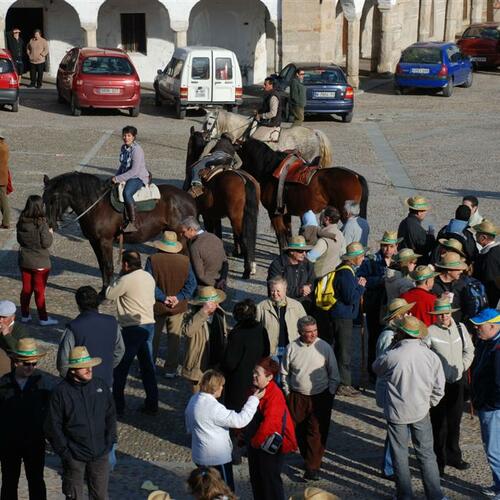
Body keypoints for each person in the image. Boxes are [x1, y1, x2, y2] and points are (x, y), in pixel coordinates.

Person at [372, 316, 445, 500]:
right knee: (427, 455)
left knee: (400, 456)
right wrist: (430, 403)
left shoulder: (392, 355)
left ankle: (405, 495)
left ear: (400, 333)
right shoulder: (430, 356)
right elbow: (439, 387)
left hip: (397, 412)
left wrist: (392, 346)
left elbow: (376, 367)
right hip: (421, 410)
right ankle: (435, 495)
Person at [45, 346, 116, 500]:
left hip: (100, 454)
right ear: (72, 370)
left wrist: (110, 441)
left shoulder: (100, 386)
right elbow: (53, 426)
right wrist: (66, 453)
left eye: (90, 365)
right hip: (74, 457)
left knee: (101, 496)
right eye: (83, 367)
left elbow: (110, 415)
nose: (89, 369)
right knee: (74, 497)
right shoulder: (60, 392)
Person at [185, 369, 264, 491]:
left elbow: (189, 424)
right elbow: (240, 421)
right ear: (214, 388)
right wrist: (254, 400)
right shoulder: (214, 408)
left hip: (199, 455)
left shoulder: (194, 399)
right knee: (225, 491)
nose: (222, 388)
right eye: (221, 386)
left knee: (207, 490)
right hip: (216, 458)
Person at [281, 316, 340, 480]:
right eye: (308, 332)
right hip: (297, 396)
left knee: (316, 432)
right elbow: (284, 372)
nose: (312, 335)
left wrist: (330, 394)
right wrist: (288, 393)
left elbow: (334, 374)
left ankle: (312, 467)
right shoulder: (292, 348)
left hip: (320, 396)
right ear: (300, 332)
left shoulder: (324, 347)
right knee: (299, 430)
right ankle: (308, 458)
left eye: (315, 331)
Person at [106, 250, 158, 416]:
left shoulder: (126, 279)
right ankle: (152, 403)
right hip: (149, 324)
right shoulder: (148, 276)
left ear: (125, 264)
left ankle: (118, 406)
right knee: (147, 367)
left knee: (121, 368)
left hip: (132, 328)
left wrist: (120, 275)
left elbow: (109, 294)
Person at [426, 297, 474, 476]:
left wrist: (462, 366)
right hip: (439, 385)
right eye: (439, 314)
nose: (443, 317)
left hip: (458, 382)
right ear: (435, 315)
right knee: (439, 425)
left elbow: (469, 350)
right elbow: (425, 356)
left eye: (445, 313)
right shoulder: (429, 332)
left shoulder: (460, 329)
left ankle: (454, 456)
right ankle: (439, 461)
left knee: (455, 422)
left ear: (450, 313)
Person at [0, 338, 50, 500]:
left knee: (36, 481)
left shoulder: (41, 382)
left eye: (33, 364)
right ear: (16, 362)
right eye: (26, 364)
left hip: (34, 441)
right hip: (9, 442)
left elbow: (49, 411)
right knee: (9, 482)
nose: (31, 367)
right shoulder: (3, 383)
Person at [145, 231, 196, 377]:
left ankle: (149, 365)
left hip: (157, 306)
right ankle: (171, 369)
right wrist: (178, 297)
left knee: (153, 337)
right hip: (178, 307)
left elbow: (149, 283)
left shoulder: (153, 259)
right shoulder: (185, 261)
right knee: (174, 338)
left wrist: (163, 297)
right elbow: (191, 284)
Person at [374, 298, 415, 480]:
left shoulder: (398, 334)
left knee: (400, 431)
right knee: (397, 431)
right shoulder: (388, 337)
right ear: (397, 317)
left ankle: (392, 464)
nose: (409, 315)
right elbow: (383, 365)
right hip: (392, 389)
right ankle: (390, 467)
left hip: (399, 389)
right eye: (405, 313)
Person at [245, 358, 297, 500]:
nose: (254, 376)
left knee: (269, 481)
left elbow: (271, 424)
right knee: (257, 479)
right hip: (256, 442)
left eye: (257, 373)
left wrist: (254, 442)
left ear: (269, 377)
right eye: (253, 372)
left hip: (268, 445)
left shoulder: (275, 394)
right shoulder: (254, 389)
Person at [57, 286, 124, 388]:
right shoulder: (112, 322)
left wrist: (71, 377)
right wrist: (107, 367)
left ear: (78, 305)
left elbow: (63, 360)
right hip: (105, 381)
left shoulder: (73, 327)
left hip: (80, 383)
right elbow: (120, 350)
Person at [358, 230, 400, 377]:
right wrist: (381, 280)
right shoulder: (372, 260)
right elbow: (362, 279)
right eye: (385, 246)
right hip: (375, 306)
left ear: (396, 247)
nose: (387, 249)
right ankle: (372, 371)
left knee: (392, 338)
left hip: (393, 306)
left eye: (390, 246)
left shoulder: (399, 261)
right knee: (374, 338)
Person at [469, 308, 500, 498]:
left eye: (480, 325)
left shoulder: (497, 350)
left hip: (493, 408)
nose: (476, 328)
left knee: (493, 451)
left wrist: (488, 404)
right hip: (488, 405)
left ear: (493, 326)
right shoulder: (486, 342)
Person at [329, 242, 367, 396]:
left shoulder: (346, 271)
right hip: (342, 317)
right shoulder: (346, 273)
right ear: (355, 258)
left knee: (343, 350)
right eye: (362, 256)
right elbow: (350, 297)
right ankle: (343, 384)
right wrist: (361, 286)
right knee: (344, 352)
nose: (363, 259)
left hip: (343, 316)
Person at [17, 195, 58, 326]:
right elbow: (46, 243)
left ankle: (25, 315)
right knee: (39, 292)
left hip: (25, 261)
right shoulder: (41, 223)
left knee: (26, 289)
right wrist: (50, 233)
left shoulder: (22, 221)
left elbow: (19, 239)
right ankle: (43, 318)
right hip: (40, 263)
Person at [222, 299, 270, 412]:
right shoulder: (261, 329)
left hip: (238, 382)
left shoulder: (237, 334)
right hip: (257, 378)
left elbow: (229, 363)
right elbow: (266, 352)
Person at [182, 287, 227, 393]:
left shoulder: (219, 313)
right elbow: (188, 332)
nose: (215, 305)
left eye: (216, 302)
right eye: (211, 304)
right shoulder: (192, 315)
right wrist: (203, 312)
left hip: (215, 359)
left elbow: (223, 333)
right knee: (198, 395)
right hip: (199, 362)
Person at [256, 276, 306, 364]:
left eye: (278, 291)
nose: (275, 294)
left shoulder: (296, 306)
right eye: (272, 290)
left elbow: (305, 327)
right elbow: (255, 330)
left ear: (285, 290)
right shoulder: (261, 307)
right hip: (271, 352)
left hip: (292, 350)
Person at [111, 126, 149, 233]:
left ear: (134, 137)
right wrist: (115, 177)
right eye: (124, 135)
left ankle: (133, 222)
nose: (126, 138)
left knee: (127, 193)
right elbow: (122, 166)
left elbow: (134, 171)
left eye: (129, 135)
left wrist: (118, 178)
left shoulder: (137, 150)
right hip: (127, 175)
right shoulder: (123, 148)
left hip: (138, 177)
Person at [267, 235, 315, 311]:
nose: (304, 254)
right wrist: (299, 290)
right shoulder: (278, 265)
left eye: (306, 251)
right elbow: (275, 290)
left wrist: (308, 288)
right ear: (291, 251)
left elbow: (313, 281)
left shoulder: (308, 264)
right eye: (301, 251)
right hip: (284, 305)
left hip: (304, 305)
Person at [180, 216, 228, 289]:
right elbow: (225, 262)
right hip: (221, 283)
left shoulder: (195, 246)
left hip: (205, 288)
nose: (182, 235)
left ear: (191, 230)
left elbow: (200, 275)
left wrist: (216, 284)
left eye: (183, 232)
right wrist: (223, 279)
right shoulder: (215, 237)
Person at [305, 206, 346, 279]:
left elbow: (309, 258)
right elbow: (343, 254)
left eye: (322, 217)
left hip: (319, 279)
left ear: (327, 219)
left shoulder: (323, 241)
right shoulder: (340, 235)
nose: (320, 219)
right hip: (333, 277)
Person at [431, 251, 468, 323]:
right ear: (448, 270)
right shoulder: (433, 284)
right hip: (439, 324)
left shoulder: (462, 283)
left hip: (457, 324)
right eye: (458, 269)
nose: (461, 271)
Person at [397, 195, 435, 264]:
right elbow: (424, 248)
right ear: (419, 212)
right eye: (424, 211)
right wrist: (431, 236)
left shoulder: (404, 222)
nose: (425, 213)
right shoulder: (415, 226)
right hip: (415, 263)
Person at [473, 219, 500, 307]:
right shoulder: (497, 249)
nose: (475, 235)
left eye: (477, 233)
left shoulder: (489, 257)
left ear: (483, 237)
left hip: (489, 298)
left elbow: (490, 281)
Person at [252, 77, 282, 142]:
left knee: (254, 138)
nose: (263, 86)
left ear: (271, 85)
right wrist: (258, 112)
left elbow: (273, 113)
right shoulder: (269, 94)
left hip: (272, 124)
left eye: (265, 84)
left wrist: (260, 115)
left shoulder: (273, 97)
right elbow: (266, 108)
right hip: (267, 122)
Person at [0, 131, 10, 229]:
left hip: (1, 177)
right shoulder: (4, 146)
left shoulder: (1, 147)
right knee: (3, 200)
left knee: (3, 201)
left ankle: (6, 221)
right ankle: (6, 221)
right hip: (3, 177)